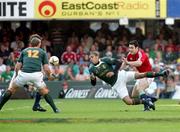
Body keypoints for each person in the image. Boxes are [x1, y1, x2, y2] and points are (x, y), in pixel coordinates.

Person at [0, 34, 60, 113]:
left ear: (31, 44)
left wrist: (17, 76)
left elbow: (17, 67)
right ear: (39, 44)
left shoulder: (24, 51)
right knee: (44, 91)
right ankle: (55, 109)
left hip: (24, 74)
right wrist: (50, 76)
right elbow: (46, 68)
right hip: (36, 75)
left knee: (11, 90)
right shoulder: (42, 52)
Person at [89, 51, 169, 109]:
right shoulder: (91, 68)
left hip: (121, 75)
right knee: (128, 102)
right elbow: (93, 84)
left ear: (97, 57)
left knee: (141, 74)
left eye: (92, 57)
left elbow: (118, 63)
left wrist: (113, 72)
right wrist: (93, 79)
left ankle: (161, 74)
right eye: (90, 58)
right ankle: (146, 101)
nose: (91, 59)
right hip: (116, 85)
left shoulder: (105, 60)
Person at [120, 40, 157, 111]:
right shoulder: (129, 54)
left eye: (132, 48)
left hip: (148, 75)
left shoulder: (141, 53)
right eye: (129, 48)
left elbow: (139, 63)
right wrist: (119, 70)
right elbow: (125, 63)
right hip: (140, 75)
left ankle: (147, 107)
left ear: (137, 48)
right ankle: (150, 99)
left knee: (140, 88)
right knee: (134, 95)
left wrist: (128, 62)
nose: (130, 49)